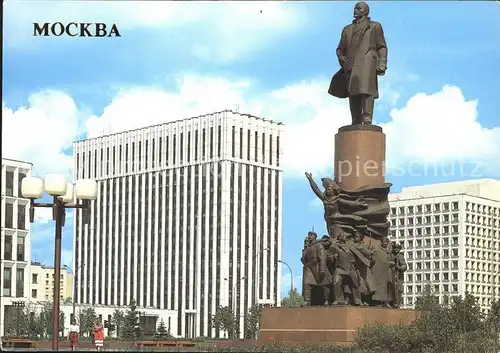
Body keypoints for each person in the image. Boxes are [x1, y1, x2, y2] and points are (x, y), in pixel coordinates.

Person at [328, 1, 388, 125]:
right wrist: (340, 57)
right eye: (355, 8)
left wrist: (382, 63)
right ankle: (355, 119)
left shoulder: (374, 26)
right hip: (350, 64)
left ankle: (367, 117)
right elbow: (340, 48)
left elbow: (382, 46)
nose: (355, 10)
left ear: (366, 11)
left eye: (359, 8)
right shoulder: (347, 29)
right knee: (353, 92)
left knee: (367, 90)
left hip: (367, 62)